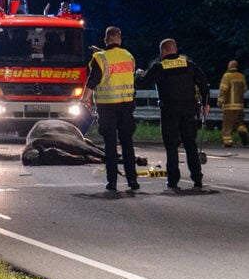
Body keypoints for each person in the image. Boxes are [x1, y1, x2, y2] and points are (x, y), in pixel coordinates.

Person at [141, 38, 209, 189]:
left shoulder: (159, 67)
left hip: (170, 111)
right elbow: (203, 83)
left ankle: (173, 180)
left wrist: (141, 74)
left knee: (171, 146)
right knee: (190, 144)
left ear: (163, 51)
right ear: (175, 49)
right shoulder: (189, 64)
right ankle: (197, 178)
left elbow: (144, 82)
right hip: (189, 110)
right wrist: (205, 103)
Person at [86, 26, 139, 191]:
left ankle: (112, 182)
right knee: (127, 143)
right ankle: (132, 180)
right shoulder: (129, 56)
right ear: (120, 40)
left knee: (110, 145)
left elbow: (93, 80)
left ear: (105, 39)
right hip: (126, 105)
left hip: (107, 106)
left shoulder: (100, 58)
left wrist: (84, 99)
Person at [217, 60, 247, 147]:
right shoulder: (241, 76)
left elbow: (223, 90)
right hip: (239, 106)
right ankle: (243, 132)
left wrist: (220, 101)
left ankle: (228, 142)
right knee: (240, 123)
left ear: (230, 66)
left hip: (229, 106)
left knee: (227, 124)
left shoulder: (227, 76)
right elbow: (245, 89)